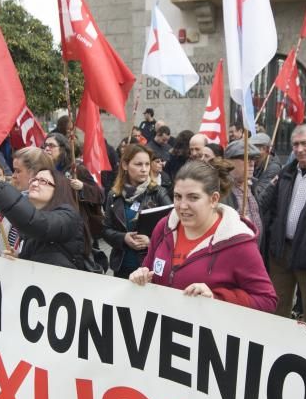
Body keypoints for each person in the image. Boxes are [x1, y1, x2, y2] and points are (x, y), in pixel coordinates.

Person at [129, 160, 276, 312]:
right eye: (178, 196)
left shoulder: (238, 243)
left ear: (213, 199)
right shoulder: (164, 227)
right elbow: (149, 267)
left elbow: (267, 300)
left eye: (193, 197)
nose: (182, 206)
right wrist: (142, 276)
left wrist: (217, 298)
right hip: (164, 329)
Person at [258, 124, 306, 321]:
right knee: (277, 303)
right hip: (282, 251)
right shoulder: (286, 173)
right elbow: (269, 205)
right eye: (295, 145)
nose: (299, 149)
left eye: (304, 144)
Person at [0, 155, 90, 270]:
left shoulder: (68, 216)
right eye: (34, 179)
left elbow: (37, 223)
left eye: (43, 181)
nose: (34, 183)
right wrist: (20, 258)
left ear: (58, 189)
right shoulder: (31, 218)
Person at [102, 145, 172, 278]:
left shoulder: (158, 193)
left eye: (147, 164)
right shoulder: (114, 195)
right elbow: (105, 229)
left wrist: (151, 241)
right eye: (139, 164)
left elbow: (173, 228)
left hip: (149, 268)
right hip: (122, 267)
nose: (144, 169)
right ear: (125, 165)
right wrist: (123, 238)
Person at [43, 132, 105, 242]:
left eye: (51, 146)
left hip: (76, 228)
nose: (47, 149)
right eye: (45, 145)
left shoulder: (77, 170)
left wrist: (82, 187)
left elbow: (100, 195)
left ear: (62, 149)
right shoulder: (43, 171)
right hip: (54, 224)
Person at [223, 139, 264, 249]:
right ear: (229, 162)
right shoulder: (221, 190)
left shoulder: (253, 185)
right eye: (245, 158)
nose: (251, 163)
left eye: (253, 159)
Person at [250, 131, 281, 207]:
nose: (249, 151)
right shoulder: (255, 163)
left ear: (263, 149)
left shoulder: (273, 168)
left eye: (252, 147)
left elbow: (260, 194)